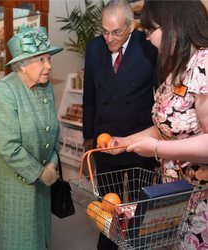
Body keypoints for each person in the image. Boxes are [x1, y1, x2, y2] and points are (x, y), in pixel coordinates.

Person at [106, 0, 208, 249]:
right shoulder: (179, 65)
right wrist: (128, 141)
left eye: (151, 31)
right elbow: (168, 127)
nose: (148, 39)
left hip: (201, 197)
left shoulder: (205, 63)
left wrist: (156, 150)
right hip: (178, 191)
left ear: (173, 25)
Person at [82, 0, 157, 249]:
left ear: (131, 26)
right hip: (106, 137)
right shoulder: (94, 48)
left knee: (139, 205)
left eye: (116, 32)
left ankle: (137, 245)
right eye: (105, 31)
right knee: (107, 203)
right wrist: (88, 136)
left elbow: (159, 91)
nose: (109, 38)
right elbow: (89, 95)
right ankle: (107, 244)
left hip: (140, 138)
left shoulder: (147, 45)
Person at [0, 26, 63, 250]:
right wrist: (40, 173)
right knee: (16, 237)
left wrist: (52, 163)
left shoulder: (45, 87)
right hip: (16, 182)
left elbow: (53, 131)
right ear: (22, 64)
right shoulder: (4, 91)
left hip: (44, 178)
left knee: (38, 236)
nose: (49, 65)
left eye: (48, 58)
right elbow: (8, 146)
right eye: (41, 59)